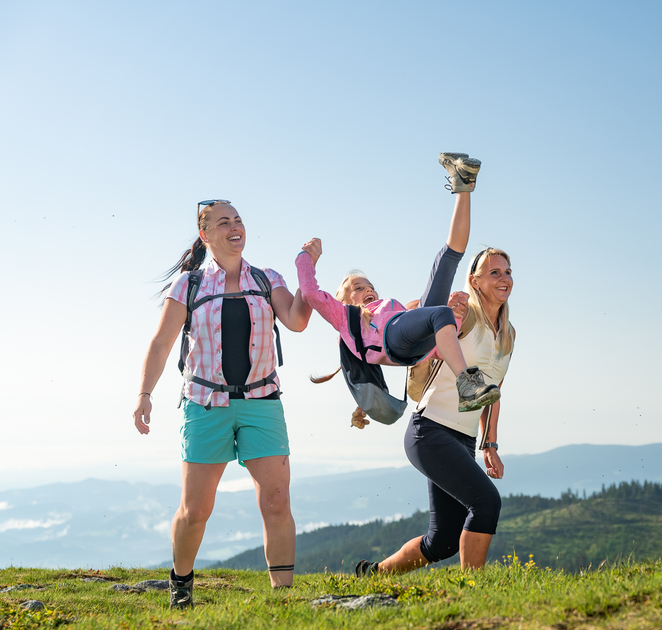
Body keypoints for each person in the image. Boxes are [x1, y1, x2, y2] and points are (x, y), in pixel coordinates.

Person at [132, 200, 312, 609]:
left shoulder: (268, 279)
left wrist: (307, 270)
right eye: (223, 222)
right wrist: (145, 394)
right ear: (205, 235)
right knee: (196, 510)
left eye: (238, 220)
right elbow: (161, 344)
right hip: (204, 405)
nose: (235, 227)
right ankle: (181, 585)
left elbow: (297, 320)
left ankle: (282, 601)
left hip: (262, 401)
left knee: (277, 500)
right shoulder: (189, 285)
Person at [295, 153, 499, 415]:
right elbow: (311, 294)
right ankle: (468, 386)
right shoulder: (346, 318)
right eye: (357, 288)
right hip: (394, 341)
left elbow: (439, 349)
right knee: (439, 312)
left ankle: (463, 184)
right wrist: (305, 259)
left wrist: (454, 320)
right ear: (344, 301)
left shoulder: (394, 309)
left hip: (416, 344)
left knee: (447, 260)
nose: (367, 289)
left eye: (369, 285)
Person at [354, 245, 515, 575]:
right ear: (475, 281)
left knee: (442, 540)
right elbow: (418, 313)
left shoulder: (508, 334)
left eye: (508, 272)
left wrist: (490, 444)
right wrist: (436, 308)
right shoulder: (464, 313)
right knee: (486, 503)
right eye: (495, 272)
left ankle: (374, 574)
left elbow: (492, 392)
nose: (504, 278)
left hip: (463, 439)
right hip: (429, 431)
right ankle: (474, 590)